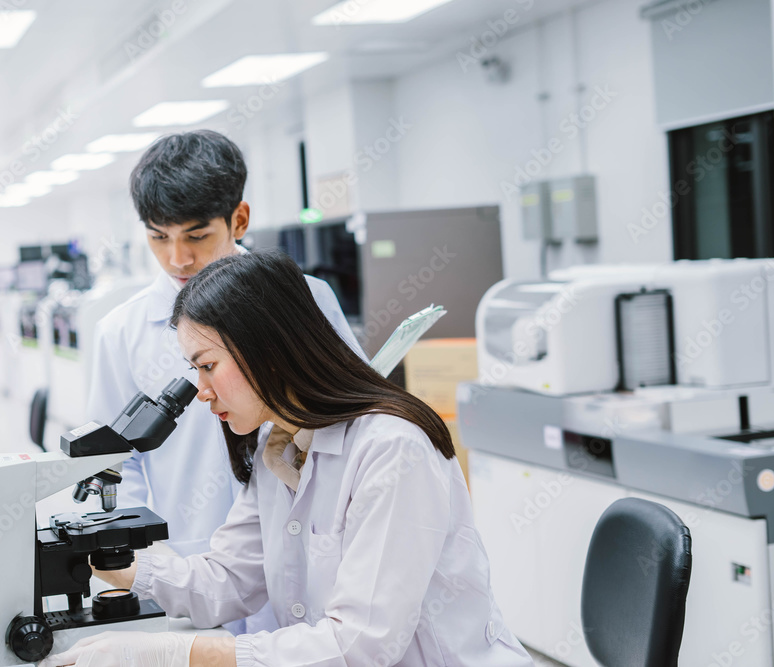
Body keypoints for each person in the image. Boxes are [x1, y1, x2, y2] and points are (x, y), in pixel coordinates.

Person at [52, 251, 534, 667]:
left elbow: (358, 645)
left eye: (207, 366)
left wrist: (175, 655)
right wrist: (104, 559)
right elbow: (229, 580)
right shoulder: (279, 448)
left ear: (266, 349)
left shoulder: (391, 449)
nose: (201, 392)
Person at [87, 131, 364, 558]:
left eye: (196, 236)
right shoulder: (121, 331)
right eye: (159, 237)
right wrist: (144, 561)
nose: (177, 258)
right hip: (193, 554)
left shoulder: (306, 299)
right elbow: (114, 462)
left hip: (311, 546)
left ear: (239, 219)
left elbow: (351, 414)